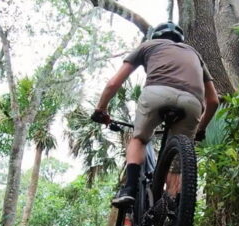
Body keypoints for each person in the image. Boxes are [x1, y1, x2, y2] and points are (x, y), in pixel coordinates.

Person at [91, 21, 220, 207]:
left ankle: (129, 189)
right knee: (176, 160)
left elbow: (113, 84)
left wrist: (100, 109)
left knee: (139, 139)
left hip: (156, 94)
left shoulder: (148, 46)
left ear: (156, 37)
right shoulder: (195, 54)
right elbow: (213, 101)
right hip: (192, 102)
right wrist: (201, 128)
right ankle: (172, 208)